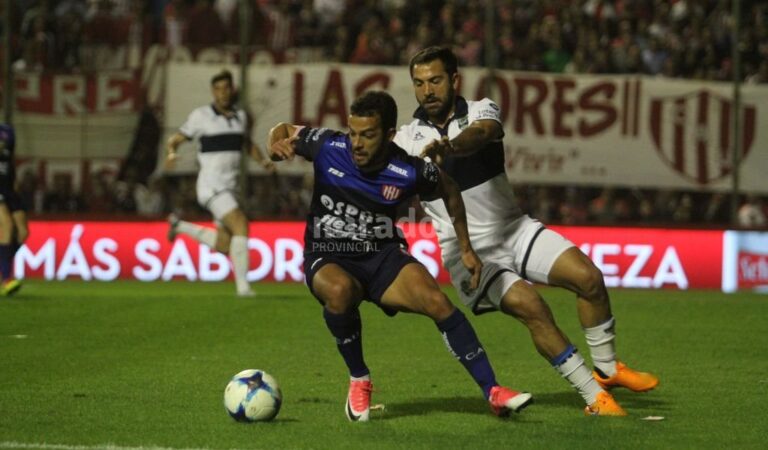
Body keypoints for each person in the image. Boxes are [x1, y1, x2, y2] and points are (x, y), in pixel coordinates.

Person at [394, 46, 659, 416]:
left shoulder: (481, 110)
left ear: (454, 80)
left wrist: (450, 147)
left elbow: (484, 133)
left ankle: (607, 369)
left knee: (590, 278)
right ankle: (593, 398)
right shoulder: (404, 141)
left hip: (515, 229)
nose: (428, 91)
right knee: (532, 306)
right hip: (468, 252)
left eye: (436, 80)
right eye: (419, 83)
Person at [267, 91, 533, 422]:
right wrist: (276, 144)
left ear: (390, 135)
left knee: (438, 302)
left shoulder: (409, 170)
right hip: (328, 252)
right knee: (339, 292)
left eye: (368, 135)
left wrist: (466, 247)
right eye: (353, 133)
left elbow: (450, 191)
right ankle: (359, 380)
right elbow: (283, 130)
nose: (357, 143)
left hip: (382, 255)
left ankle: (492, 391)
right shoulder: (327, 146)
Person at [165, 69, 274, 297]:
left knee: (225, 244)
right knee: (241, 223)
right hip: (210, 186)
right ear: (212, 92)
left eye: (226, 88)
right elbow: (175, 139)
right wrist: (171, 152)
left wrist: (263, 161)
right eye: (217, 89)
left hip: (230, 188)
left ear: (231, 90)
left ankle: (179, 226)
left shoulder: (240, 117)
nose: (222, 93)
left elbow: (247, 143)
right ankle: (243, 288)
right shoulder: (201, 116)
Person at [0, 124, 30, 296]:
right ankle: (7, 279)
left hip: (9, 188)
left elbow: (10, 160)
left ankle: (3, 266)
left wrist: (15, 183)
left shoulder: (8, 131)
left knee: (23, 232)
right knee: (7, 225)